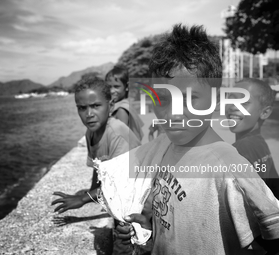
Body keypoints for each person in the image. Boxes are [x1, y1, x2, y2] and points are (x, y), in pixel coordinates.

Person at [116, 24, 279, 254]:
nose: (173, 113)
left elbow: (271, 237)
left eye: (190, 99)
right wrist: (148, 230)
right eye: (163, 99)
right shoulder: (167, 147)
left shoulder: (228, 167)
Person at [51, 75, 141, 254]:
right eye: (82, 108)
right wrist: (91, 190)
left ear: (111, 106)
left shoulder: (117, 135)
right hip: (121, 201)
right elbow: (97, 167)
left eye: (96, 106)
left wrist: (83, 199)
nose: (89, 114)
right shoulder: (91, 133)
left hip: (137, 204)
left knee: (125, 247)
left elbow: (120, 187)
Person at [226, 78, 279, 199]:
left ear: (265, 113)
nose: (233, 106)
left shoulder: (239, 150)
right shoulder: (261, 145)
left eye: (244, 102)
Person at [105, 65, 144, 141]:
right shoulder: (122, 104)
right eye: (109, 87)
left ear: (126, 87)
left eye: (116, 86)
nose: (112, 91)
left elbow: (121, 138)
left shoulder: (121, 110)